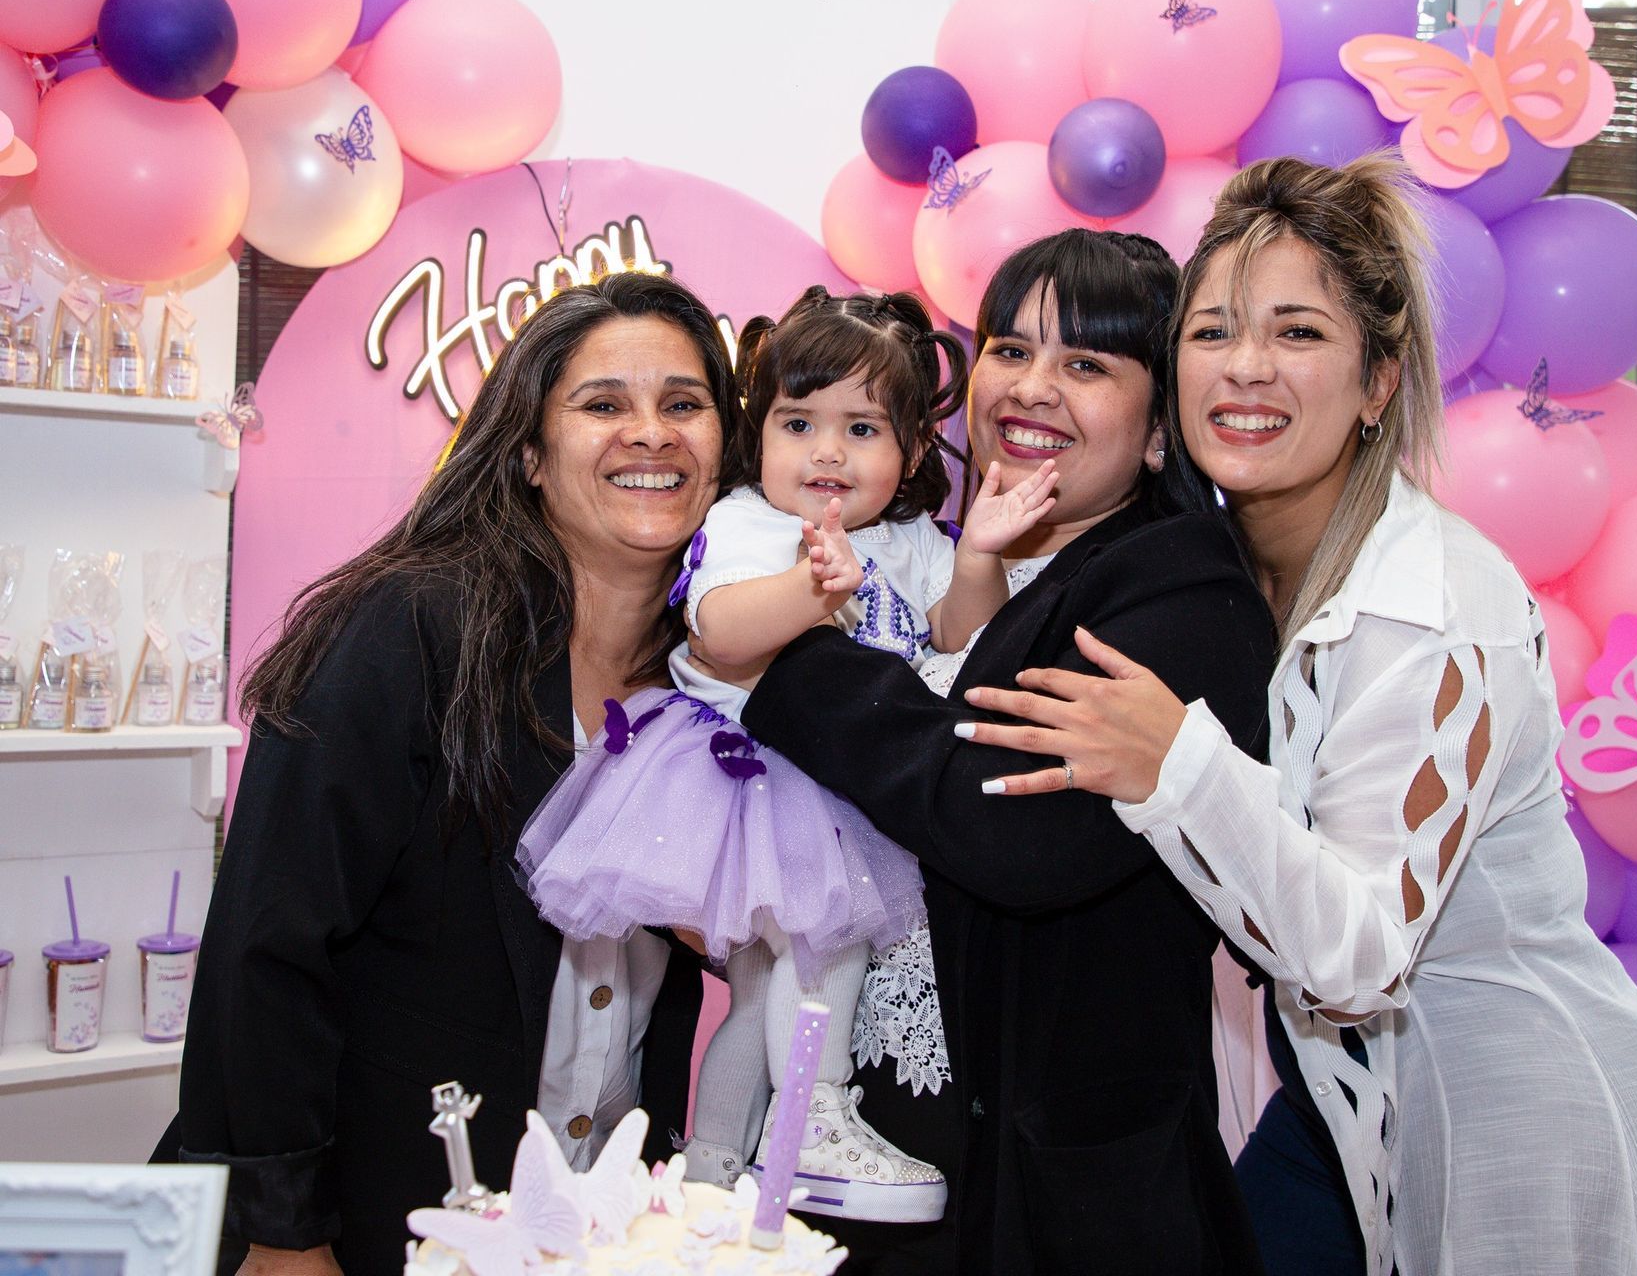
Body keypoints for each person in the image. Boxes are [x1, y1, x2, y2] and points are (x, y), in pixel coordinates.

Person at [960, 156, 1637, 1275]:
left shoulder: (1430, 606)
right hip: (1336, 1097)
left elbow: (1359, 957)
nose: (1246, 366)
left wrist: (1174, 760)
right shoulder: (1221, 570)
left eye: (1299, 333)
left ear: (1378, 382)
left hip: (1518, 1122)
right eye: (1213, 331)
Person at [163, 272, 732, 1274]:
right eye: (603, 405)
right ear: (529, 454)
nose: (651, 433)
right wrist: (286, 1234)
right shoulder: (411, 628)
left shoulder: (717, 679)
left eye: (683, 403)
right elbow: (269, 943)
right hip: (378, 1212)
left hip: (592, 1227)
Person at [733, 229, 1273, 1275]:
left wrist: (792, 665)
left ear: (1160, 432)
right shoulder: (928, 556)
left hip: (1052, 1204)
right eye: (1011, 350)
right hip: (874, 1150)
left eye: (1087, 364)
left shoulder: (1179, 591)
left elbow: (1014, 827)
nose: (1031, 388)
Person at [515, 287, 1060, 1224]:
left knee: (764, 992)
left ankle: (711, 1170)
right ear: (756, 434)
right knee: (824, 956)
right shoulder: (750, 521)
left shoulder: (908, 539)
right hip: (756, 785)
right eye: (798, 423)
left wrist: (979, 558)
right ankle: (815, 1116)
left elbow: (953, 637)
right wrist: (812, 590)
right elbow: (720, 630)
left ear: (914, 452)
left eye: (862, 429)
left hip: (846, 785)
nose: (827, 453)